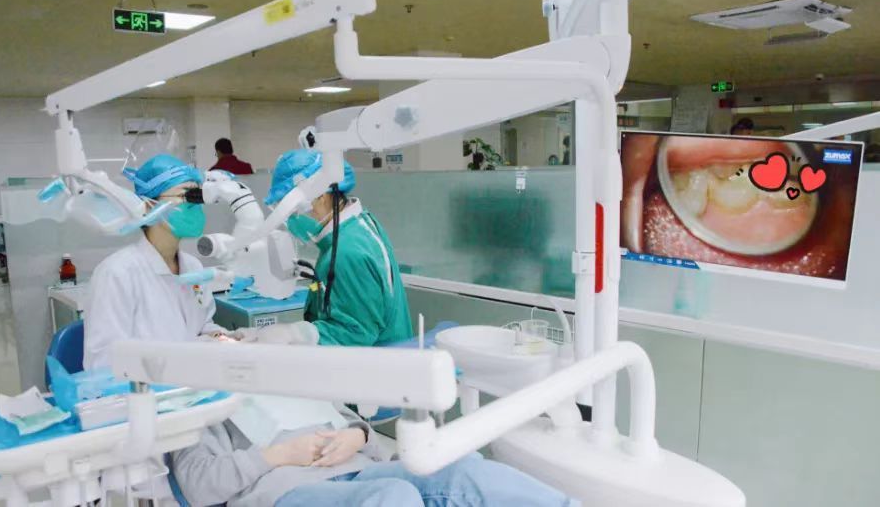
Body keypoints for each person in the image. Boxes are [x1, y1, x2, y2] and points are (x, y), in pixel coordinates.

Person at [172, 403, 576, 507]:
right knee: (395, 497)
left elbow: (366, 434)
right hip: (285, 489)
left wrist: (357, 435)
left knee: (463, 469)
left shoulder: (292, 377)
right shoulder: (204, 408)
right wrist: (277, 455)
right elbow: (199, 487)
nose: (226, 340)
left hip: (360, 468)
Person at [83, 154, 228, 369]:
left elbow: (202, 328)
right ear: (149, 206)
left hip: (190, 381)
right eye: (186, 195)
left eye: (198, 196)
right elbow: (102, 362)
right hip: (144, 387)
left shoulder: (193, 268)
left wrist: (224, 339)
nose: (195, 205)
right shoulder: (117, 273)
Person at [264, 149, 413, 347]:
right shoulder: (358, 225)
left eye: (293, 211)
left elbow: (357, 332)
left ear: (321, 196)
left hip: (376, 362)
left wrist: (295, 334)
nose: (291, 220)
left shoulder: (347, 252)